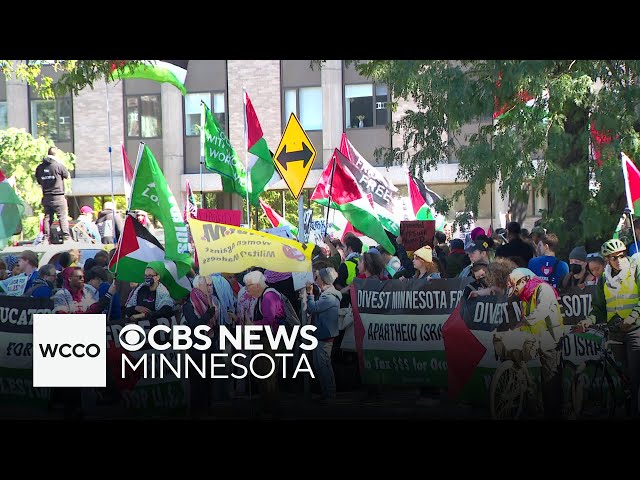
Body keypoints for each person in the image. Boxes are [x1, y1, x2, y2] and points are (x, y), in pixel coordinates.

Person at [580, 239, 640, 416]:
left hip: (635, 329)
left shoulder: (635, 270)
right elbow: (598, 307)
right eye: (614, 257)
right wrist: (589, 320)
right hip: (615, 332)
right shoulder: (604, 278)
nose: (619, 260)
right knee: (624, 379)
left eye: (622, 255)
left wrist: (632, 317)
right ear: (607, 259)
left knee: (636, 377)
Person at [505, 268, 564, 419]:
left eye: (515, 287)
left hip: (552, 338)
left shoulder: (543, 289)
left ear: (524, 280)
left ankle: (553, 415)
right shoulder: (526, 295)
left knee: (550, 383)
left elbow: (541, 311)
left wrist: (524, 322)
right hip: (536, 337)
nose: (515, 292)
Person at [244, 269, 285, 417]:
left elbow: (269, 322)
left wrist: (252, 325)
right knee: (264, 374)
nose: (247, 289)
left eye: (248, 286)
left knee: (267, 375)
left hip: (269, 341)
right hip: (266, 340)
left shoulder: (268, 296)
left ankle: (270, 409)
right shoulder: (266, 295)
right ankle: (269, 406)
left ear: (256, 285)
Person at [182, 275, 219, 418]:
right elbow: (194, 325)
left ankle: (208, 408)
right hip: (196, 348)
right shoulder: (190, 304)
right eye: (207, 285)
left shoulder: (212, 301)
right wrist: (208, 314)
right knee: (198, 382)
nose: (210, 288)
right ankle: (197, 411)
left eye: (211, 285)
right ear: (198, 286)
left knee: (209, 380)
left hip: (210, 346)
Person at [305, 267, 341, 404]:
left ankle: (330, 394)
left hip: (324, 335)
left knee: (324, 365)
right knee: (319, 364)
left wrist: (309, 294)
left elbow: (312, 308)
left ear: (324, 280)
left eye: (318, 277)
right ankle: (326, 392)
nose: (316, 279)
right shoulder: (328, 294)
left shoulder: (329, 297)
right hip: (322, 333)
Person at [35, 146, 71, 243]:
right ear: (56, 154)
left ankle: (46, 238)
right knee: (62, 217)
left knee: (47, 217)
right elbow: (67, 175)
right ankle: (66, 238)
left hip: (46, 196)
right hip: (58, 195)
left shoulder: (40, 167)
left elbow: (39, 181)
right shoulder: (58, 166)